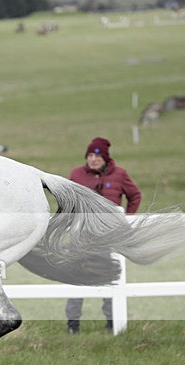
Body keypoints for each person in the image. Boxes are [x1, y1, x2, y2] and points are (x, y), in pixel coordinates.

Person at [66, 137, 142, 334]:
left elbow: (135, 195)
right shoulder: (76, 175)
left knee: (110, 281)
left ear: (105, 158)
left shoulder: (120, 174)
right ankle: (72, 325)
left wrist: (127, 220)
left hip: (108, 240)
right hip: (81, 239)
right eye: (89, 155)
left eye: (97, 156)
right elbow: (67, 200)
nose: (92, 159)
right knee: (77, 280)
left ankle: (112, 322)